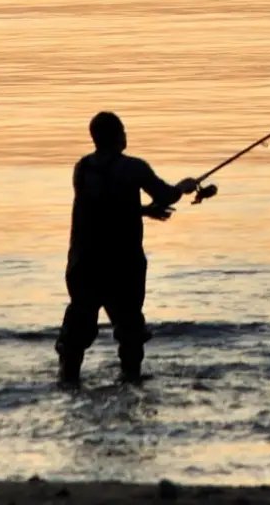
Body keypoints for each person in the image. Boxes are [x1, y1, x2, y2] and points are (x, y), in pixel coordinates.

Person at [55, 111, 199, 385]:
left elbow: (103, 208)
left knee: (78, 326)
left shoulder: (82, 168)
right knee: (130, 327)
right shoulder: (134, 168)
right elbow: (166, 194)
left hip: (84, 261)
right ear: (119, 136)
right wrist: (184, 186)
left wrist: (143, 211)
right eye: (123, 131)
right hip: (123, 262)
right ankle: (130, 379)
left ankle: (67, 378)